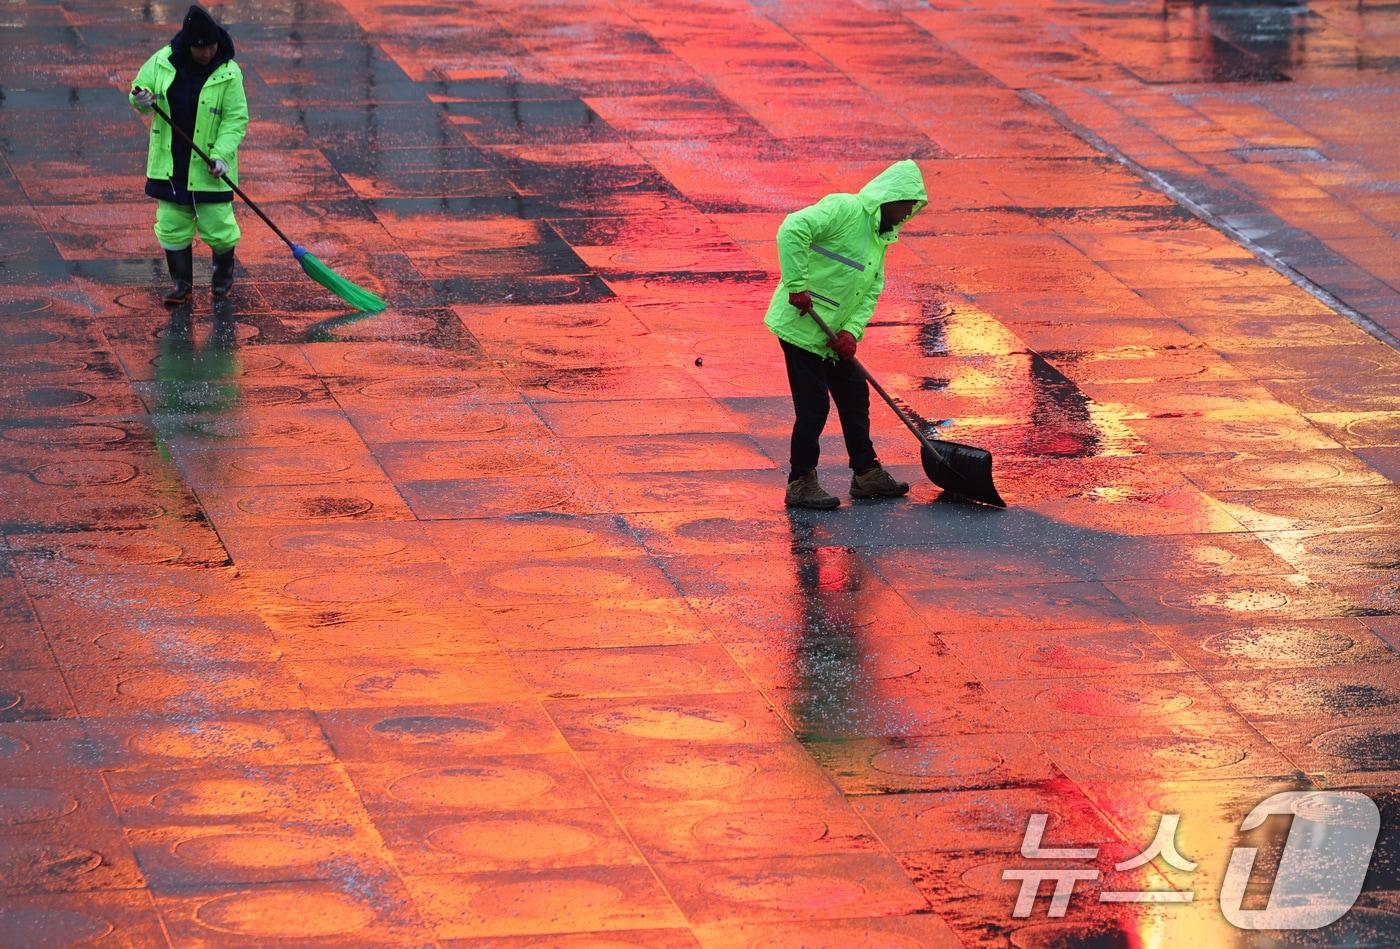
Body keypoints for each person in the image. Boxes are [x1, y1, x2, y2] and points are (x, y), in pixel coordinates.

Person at [764, 159, 928, 509]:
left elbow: (870, 292)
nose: (907, 214)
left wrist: (851, 332)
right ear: (891, 197)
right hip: (800, 326)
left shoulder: (880, 239)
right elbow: (792, 229)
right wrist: (796, 285)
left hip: (832, 333)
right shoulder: (845, 209)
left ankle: (866, 473)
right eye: (906, 205)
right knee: (814, 406)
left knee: (854, 393)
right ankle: (800, 482)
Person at [130, 5, 247, 305]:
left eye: (211, 47)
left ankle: (222, 280)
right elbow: (139, 91)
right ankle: (181, 285)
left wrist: (222, 155)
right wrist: (141, 98)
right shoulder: (162, 61)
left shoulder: (229, 73)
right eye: (200, 48)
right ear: (188, 45)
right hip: (170, 163)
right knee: (171, 224)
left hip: (210, 166)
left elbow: (235, 119)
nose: (207, 54)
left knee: (219, 226)